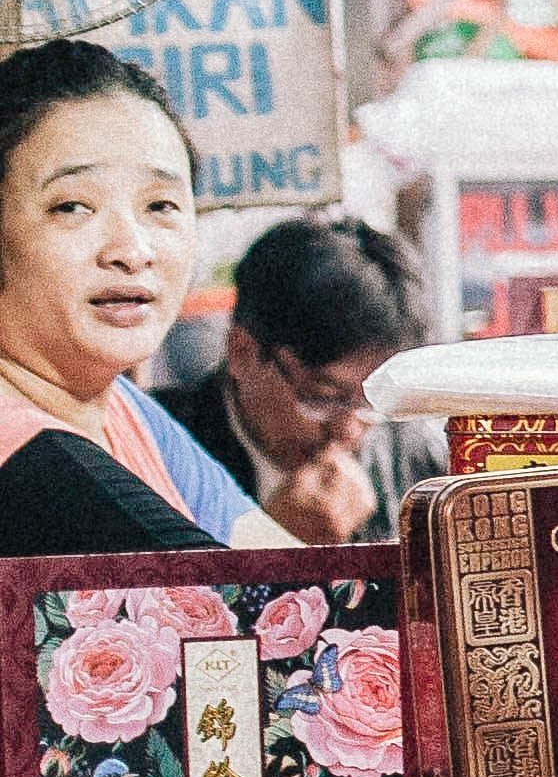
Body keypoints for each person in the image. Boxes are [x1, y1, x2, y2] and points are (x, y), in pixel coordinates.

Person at [0, 42, 248, 549]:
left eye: (161, 204)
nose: (132, 251)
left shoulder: (118, 406)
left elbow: (284, 565)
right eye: (72, 207)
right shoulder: (28, 459)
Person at [156, 212, 415, 547]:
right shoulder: (153, 446)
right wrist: (263, 545)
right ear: (242, 353)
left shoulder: (415, 456)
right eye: (322, 397)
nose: (349, 432)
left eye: (374, 401)